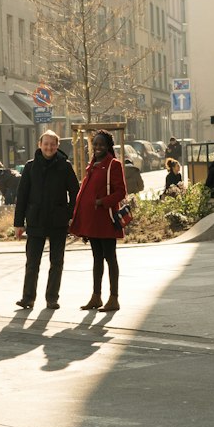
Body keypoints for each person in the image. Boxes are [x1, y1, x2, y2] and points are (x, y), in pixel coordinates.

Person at [12, 131, 80, 309]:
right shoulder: (30, 167)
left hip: (58, 221)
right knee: (32, 263)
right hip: (35, 221)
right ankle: (28, 298)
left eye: (52, 144)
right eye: (46, 144)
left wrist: (70, 214)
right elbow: (22, 195)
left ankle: (52, 298)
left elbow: (75, 192)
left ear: (57, 146)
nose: (49, 147)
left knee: (56, 262)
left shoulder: (65, 166)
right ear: (39, 144)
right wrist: (18, 223)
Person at [70, 130, 127, 313]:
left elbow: (121, 192)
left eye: (101, 144)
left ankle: (114, 298)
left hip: (106, 220)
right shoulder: (92, 165)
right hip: (92, 222)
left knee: (110, 258)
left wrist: (102, 202)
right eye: (95, 144)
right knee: (96, 259)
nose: (97, 147)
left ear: (108, 146)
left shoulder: (113, 165)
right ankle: (96, 296)